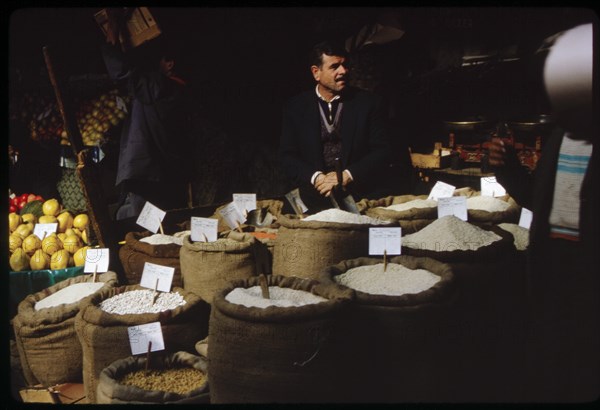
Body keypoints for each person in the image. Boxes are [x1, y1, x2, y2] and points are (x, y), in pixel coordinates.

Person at [488, 23, 598, 402]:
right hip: (554, 263)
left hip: (590, 270)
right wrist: (509, 170)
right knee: (552, 364)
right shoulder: (560, 136)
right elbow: (541, 201)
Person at [100, 8, 193, 220]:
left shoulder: (162, 87)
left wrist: (113, 32)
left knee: (139, 224)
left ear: (170, 64)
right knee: (153, 223)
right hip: (162, 174)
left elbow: (123, 73)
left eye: (161, 59)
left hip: (148, 175)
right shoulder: (179, 92)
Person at [279, 40, 392, 213]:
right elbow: (288, 156)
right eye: (335, 67)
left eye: (345, 65)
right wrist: (317, 178)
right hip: (314, 194)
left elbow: (382, 151)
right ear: (316, 73)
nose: (343, 71)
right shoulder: (295, 107)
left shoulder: (369, 103)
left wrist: (347, 175)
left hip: (360, 194)